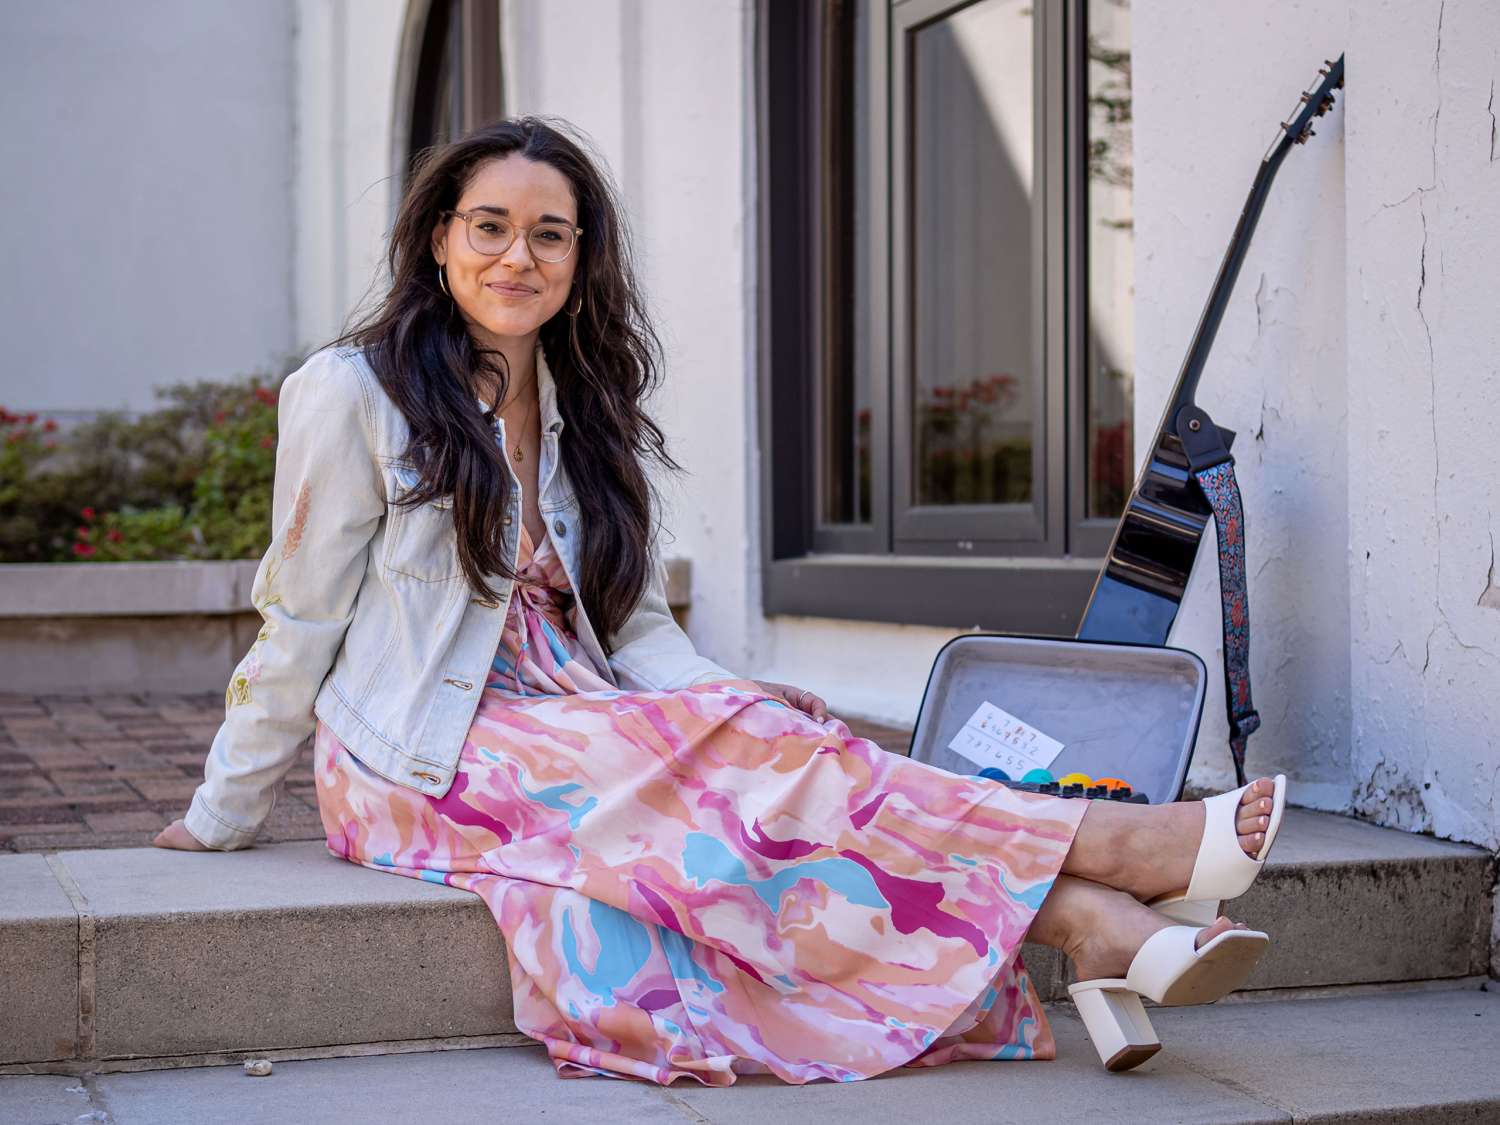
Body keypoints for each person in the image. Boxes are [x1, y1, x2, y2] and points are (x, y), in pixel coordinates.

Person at [154, 115, 1285, 1083]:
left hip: (576, 719)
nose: (518, 256)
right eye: (489, 226)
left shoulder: (584, 409)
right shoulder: (354, 392)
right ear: (440, 238)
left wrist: (737, 704)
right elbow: (297, 616)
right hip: (423, 758)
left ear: (580, 256)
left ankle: (1094, 928)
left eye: (549, 233)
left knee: (776, 745)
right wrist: (223, 812)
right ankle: (1118, 852)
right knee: (750, 756)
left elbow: (635, 629)